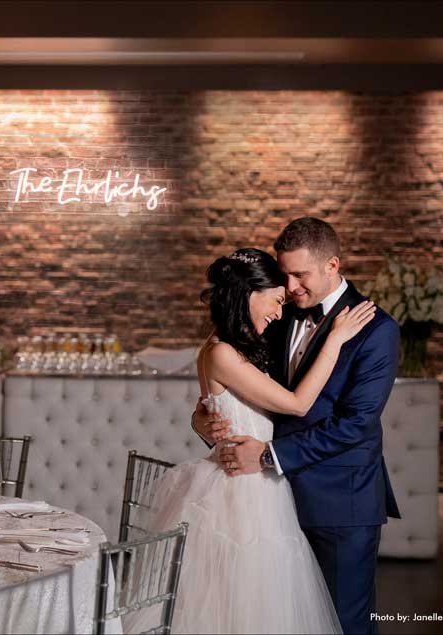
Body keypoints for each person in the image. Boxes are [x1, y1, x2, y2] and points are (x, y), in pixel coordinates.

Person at [124, 246, 375, 634]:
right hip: (242, 493)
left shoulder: (235, 344)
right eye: (275, 300)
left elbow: (224, 404)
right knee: (238, 605)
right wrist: (335, 339)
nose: (280, 311)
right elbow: (297, 403)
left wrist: (202, 418)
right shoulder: (223, 352)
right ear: (248, 295)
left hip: (264, 484)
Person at [194, 218, 401, 634]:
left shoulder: (376, 331)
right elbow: (238, 389)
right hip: (270, 501)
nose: (289, 287)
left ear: (332, 265)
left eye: (300, 275)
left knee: (344, 623)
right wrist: (205, 418)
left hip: (339, 501)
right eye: (284, 275)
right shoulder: (279, 315)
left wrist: (269, 456)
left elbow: (355, 424)